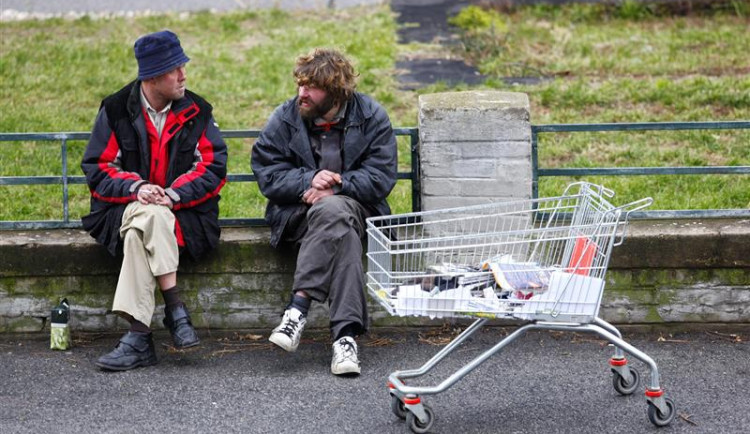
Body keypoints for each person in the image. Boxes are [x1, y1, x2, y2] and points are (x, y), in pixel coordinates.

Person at [81, 30, 228, 371]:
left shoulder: (197, 110)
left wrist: (171, 195)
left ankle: (138, 337)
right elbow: (98, 168)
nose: (183, 75)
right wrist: (137, 189)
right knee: (147, 214)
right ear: (152, 75)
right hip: (122, 208)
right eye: (175, 68)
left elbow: (213, 166)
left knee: (141, 230)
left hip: (186, 216)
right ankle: (175, 310)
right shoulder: (116, 109)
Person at [251, 48, 397, 376]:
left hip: (359, 209)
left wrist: (339, 184)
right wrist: (308, 179)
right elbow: (267, 171)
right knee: (340, 231)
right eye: (300, 84)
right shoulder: (286, 117)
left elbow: (382, 176)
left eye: (310, 87)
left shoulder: (371, 116)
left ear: (334, 91)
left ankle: (297, 310)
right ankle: (345, 339)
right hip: (298, 215)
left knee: (335, 210)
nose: (301, 93)